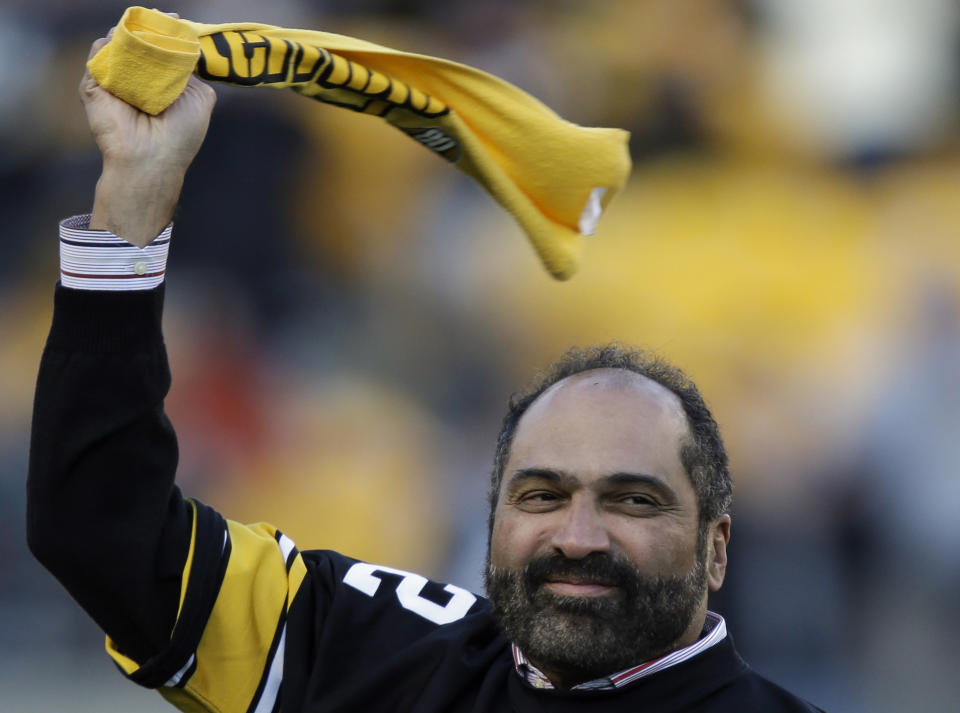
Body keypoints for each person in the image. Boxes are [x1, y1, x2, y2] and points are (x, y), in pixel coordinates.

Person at [26, 33, 825, 713]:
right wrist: (136, 187)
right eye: (540, 495)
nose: (576, 537)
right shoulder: (382, 654)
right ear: (492, 515)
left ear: (716, 547)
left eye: (632, 499)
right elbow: (103, 528)